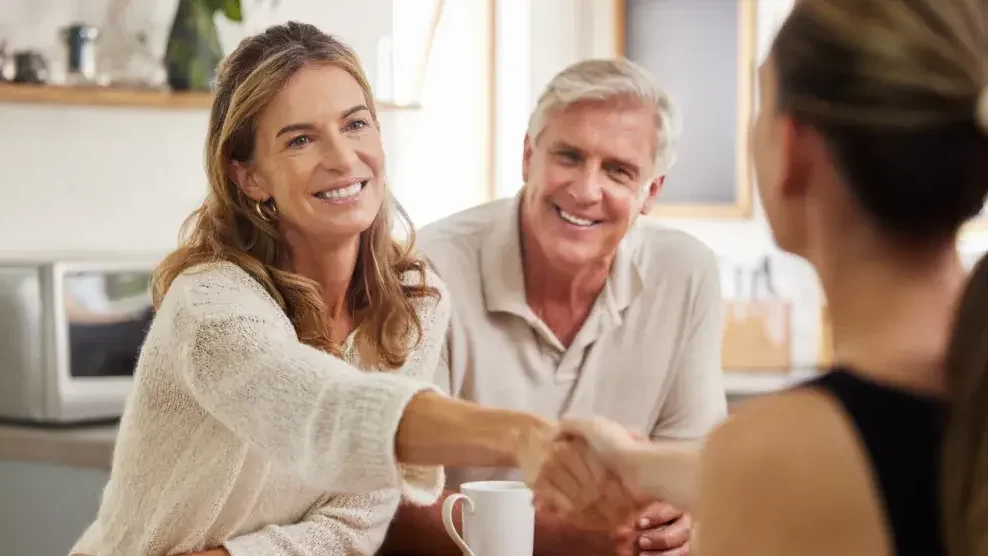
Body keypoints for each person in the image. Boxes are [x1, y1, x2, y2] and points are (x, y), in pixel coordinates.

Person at [69, 22, 625, 556]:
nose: (342, 158)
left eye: (356, 124)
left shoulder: (413, 303)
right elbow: (323, 410)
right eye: (301, 139)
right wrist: (521, 436)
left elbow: (358, 518)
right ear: (249, 176)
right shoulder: (212, 304)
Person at [546, 0, 988, 555]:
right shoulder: (961, 380)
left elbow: (794, 475)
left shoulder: (778, 455)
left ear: (793, 150)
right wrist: (638, 466)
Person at [381, 58, 727, 556]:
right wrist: (556, 538)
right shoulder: (424, 269)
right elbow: (383, 496)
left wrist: (678, 517)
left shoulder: (687, 273)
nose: (586, 190)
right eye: (568, 156)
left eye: (618, 171)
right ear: (528, 157)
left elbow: (693, 468)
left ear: (650, 192)